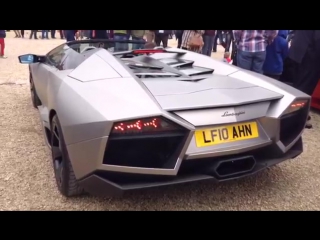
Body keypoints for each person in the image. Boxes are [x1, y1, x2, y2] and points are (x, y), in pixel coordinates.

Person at [287, 30, 320, 128]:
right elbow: (318, 39)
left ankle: (299, 114)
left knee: (297, 87)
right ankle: (296, 118)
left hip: (298, 52)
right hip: (309, 57)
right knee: (304, 90)